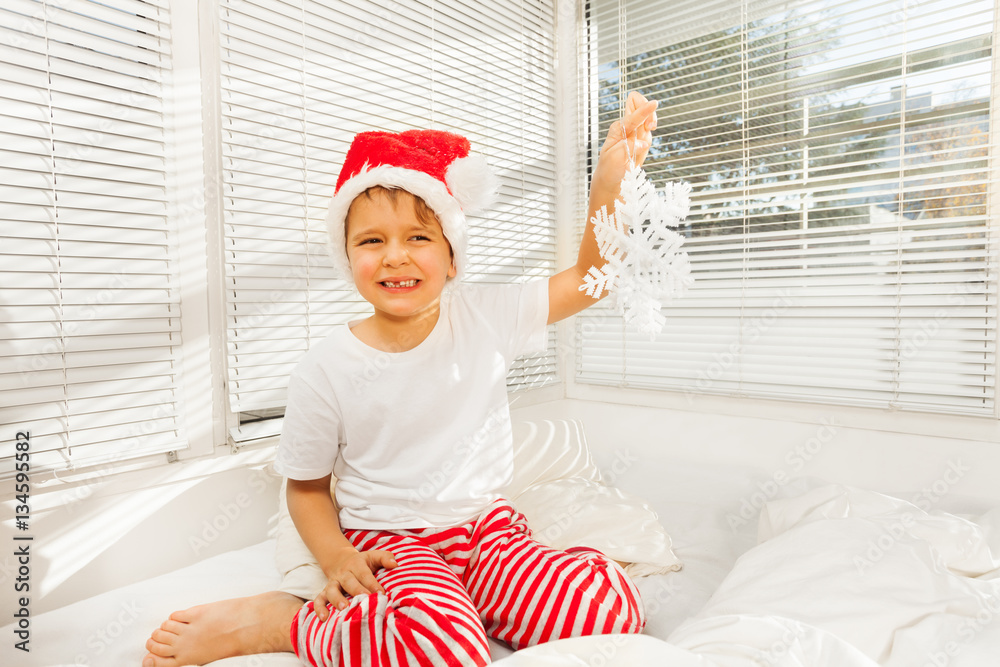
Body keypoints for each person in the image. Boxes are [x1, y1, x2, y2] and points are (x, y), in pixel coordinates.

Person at [142, 90, 659, 667]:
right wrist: (336, 557)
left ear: (452, 256)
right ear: (347, 257)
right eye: (371, 241)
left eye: (418, 237)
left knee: (606, 608)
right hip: (392, 540)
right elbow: (307, 488)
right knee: (440, 650)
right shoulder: (325, 368)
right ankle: (287, 621)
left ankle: (472, 597)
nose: (395, 256)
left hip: (487, 531)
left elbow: (594, 278)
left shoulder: (487, 316)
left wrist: (611, 178)